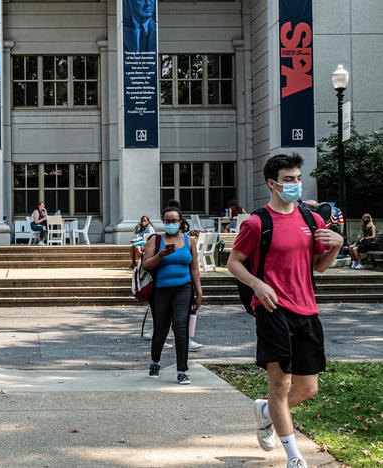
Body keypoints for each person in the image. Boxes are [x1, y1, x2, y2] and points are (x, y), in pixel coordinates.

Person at [227, 153, 343, 468]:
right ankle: (294, 457)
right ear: (272, 183)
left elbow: (319, 267)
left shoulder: (311, 220)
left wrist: (336, 244)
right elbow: (233, 262)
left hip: (307, 310)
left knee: (308, 388)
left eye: (297, 178)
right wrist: (258, 285)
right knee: (281, 385)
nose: (294, 184)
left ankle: (266, 413)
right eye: (288, 179)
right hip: (272, 308)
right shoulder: (256, 222)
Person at [141, 205, 202, 385]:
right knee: (161, 329)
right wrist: (160, 255)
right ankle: (155, 362)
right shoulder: (156, 240)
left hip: (183, 288)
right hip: (161, 290)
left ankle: (182, 370)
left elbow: (194, 268)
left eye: (174, 221)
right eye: (167, 221)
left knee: (181, 328)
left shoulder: (189, 241)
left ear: (181, 222)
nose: (170, 224)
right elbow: (147, 265)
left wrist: (199, 292)